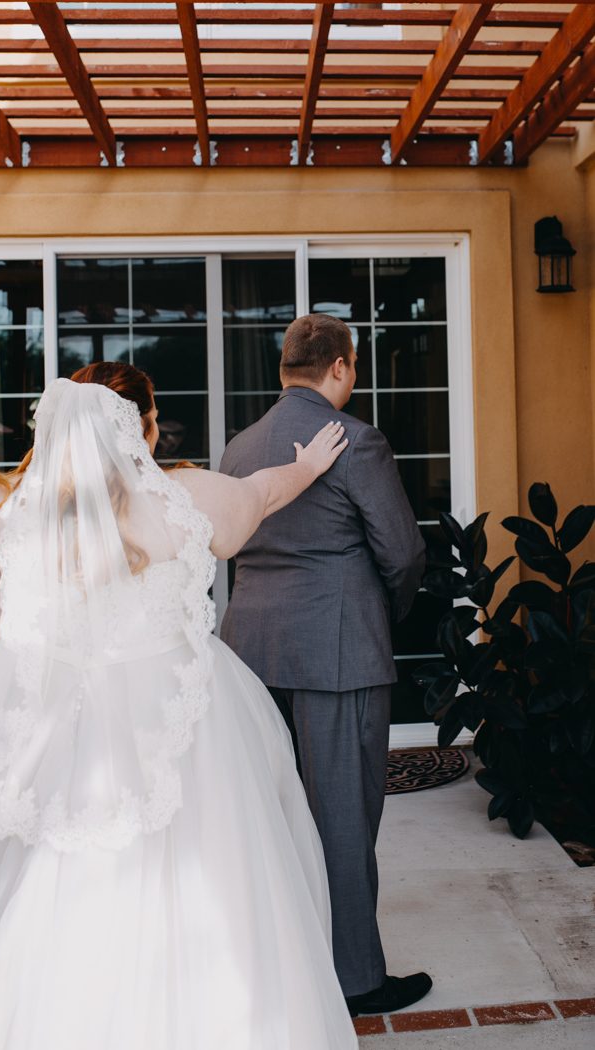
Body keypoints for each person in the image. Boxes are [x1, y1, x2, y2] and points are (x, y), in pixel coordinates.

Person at [0, 361, 358, 1050]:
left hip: (44, 720)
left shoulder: (2, 507)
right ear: (143, 426)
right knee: (202, 881)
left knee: (25, 889)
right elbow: (259, 496)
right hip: (173, 719)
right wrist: (310, 466)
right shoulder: (185, 496)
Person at [220, 313, 431, 1017]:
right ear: (339, 367)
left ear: (285, 368)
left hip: (251, 651)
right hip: (338, 652)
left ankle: (284, 966)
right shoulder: (359, 443)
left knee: (271, 817)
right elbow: (401, 553)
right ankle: (356, 981)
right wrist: (385, 614)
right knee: (342, 818)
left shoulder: (239, 447)